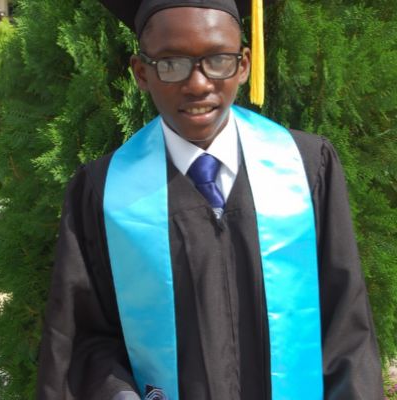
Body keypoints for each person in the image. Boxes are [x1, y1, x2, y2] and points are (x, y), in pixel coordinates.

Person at [36, 0, 384, 399]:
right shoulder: (103, 191)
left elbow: (345, 324)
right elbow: (84, 339)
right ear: (141, 73)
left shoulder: (306, 166)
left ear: (244, 65)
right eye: (171, 63)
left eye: (218, 60)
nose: (198, 84)